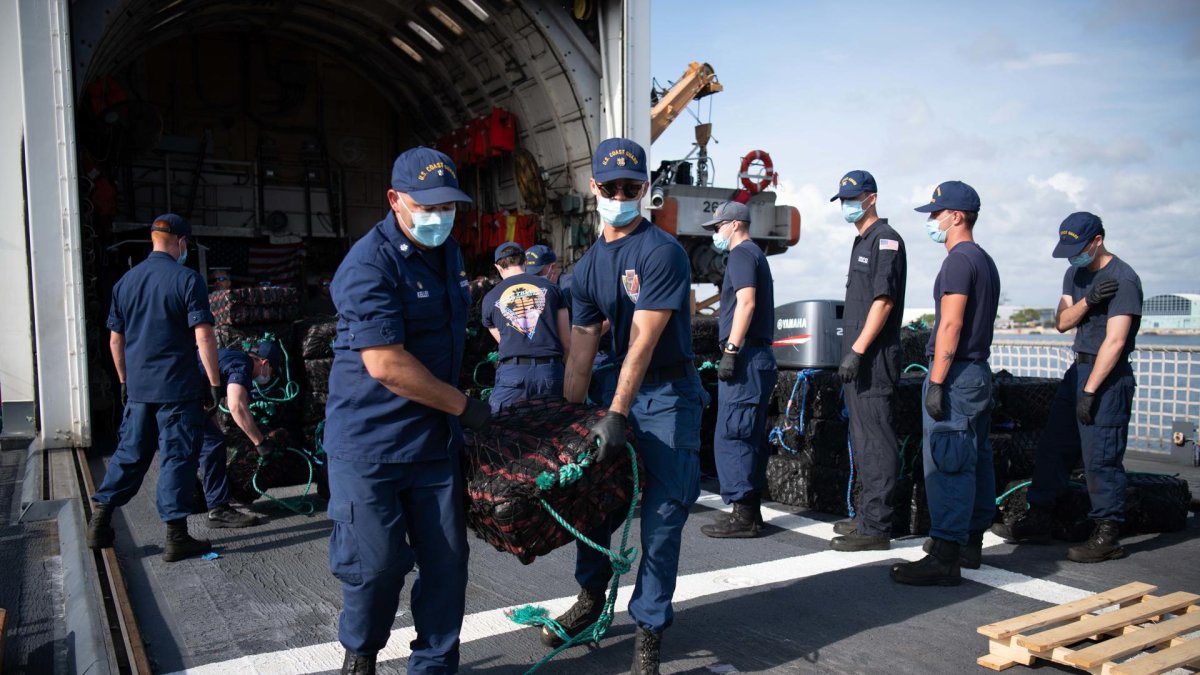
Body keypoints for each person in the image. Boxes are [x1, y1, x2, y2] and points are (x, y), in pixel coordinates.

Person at [324, 146, 491, 675]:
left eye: (448, 207)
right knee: (375, 567)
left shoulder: (449, 254)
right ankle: (362, 654)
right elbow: (386, 364)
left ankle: (435, 666)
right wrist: (466, 407)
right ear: (395, 199)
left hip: (432, 443)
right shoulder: (368, 265)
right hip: (369, 444)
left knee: (446, 566)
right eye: (428, 206)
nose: (440, 217)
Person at [550, 137, 707, 675]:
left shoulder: (662, 252)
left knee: (662, 520)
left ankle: (648, 630)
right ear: (594, 187)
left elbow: (641, 343)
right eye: (611, 187)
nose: (620, 196)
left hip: (666, 396)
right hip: (614, 389)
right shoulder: (586, 270)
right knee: (591, 501)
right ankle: (592, 598)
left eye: (631, 188)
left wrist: (617, 413)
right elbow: (580, 355)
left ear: (645, 189)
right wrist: (568, 424)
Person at [991, 212, 1141, 563]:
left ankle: (1107, 533)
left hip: (1108, 374)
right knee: (1053, 446)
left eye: (1079, 249)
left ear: (1097, 241)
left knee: (1100, 457)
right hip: (1078, 370)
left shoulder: (1124, 279)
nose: (1073, 257)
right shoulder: (1074, 274)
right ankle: (1039, 517)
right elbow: (1062, 321)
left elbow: (1116, 342)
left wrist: (1090, 391)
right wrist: (1089, 300)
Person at [87, 213, 223, 562]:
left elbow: (115, 341)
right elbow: (204, 336)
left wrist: (123, 381)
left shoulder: (125, 283)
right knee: (178, 457)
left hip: (139, 389)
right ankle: (176, 537)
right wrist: (214, 382)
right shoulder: (188, 280)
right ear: (181, 242)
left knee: (130, 454)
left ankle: (100, 520)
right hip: (177, 389)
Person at [890, 181, 999, 586]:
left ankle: (945, 556)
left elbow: (951, 324)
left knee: (948, 462)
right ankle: (970, 543)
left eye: (936, 213)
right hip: (978, 373)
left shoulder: (957, 261)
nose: (932, 220)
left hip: (955, 375)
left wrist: (936, 381)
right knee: (976, 459)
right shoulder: (984, 260)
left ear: (956, 216)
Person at [828, 171, 908, 552]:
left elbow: (884, 301)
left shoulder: (885, 240)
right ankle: (866, 515)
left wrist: (858, 350)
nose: (847, 205)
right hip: (860, 360)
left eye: (853, 198)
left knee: (876, 441)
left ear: (871, 198)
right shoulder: (862, 240)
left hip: (873, 361)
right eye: (843, 199)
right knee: (862, 441)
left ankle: (877, 526)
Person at [695, 201, 778, 539]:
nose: (715, 233)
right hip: (757, 357)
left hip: (746, 358)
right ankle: (750, 513)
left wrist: (731, 349)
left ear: (733, 225)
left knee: (734, 434)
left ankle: (743, 516)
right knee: (748, 434)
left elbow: (746, 302)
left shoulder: (742, 254)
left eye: (717, 227)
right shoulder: (756, 254)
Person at [193, 341, 288, 528]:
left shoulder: (227, 356)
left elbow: (207, 405)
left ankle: (192, 499)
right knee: (212, 446)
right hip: (184, 393)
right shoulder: (243, 364)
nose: (268, 377)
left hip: (175, 388)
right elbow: (236, 406)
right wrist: (260, 442)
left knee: (201, 444)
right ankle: (218, 509)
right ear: (264, 363)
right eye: (271, 372)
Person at [481, 242, 570, 413]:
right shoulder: (552, 289)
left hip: (513, 374)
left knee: (503, 426)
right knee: (553, 427)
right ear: (525, 262)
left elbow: (504, 340)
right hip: (550, 371)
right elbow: (567, 343)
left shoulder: (490, 298)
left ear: (498, 267)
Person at [527, 244, 617, 406]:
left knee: (600, 408)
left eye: (538, 274)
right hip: (567, 359)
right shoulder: (539, 291)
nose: (535, 280)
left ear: (553, 268)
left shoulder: (569, 288)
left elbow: (608, 319)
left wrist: (580, 344)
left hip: (598, 357)